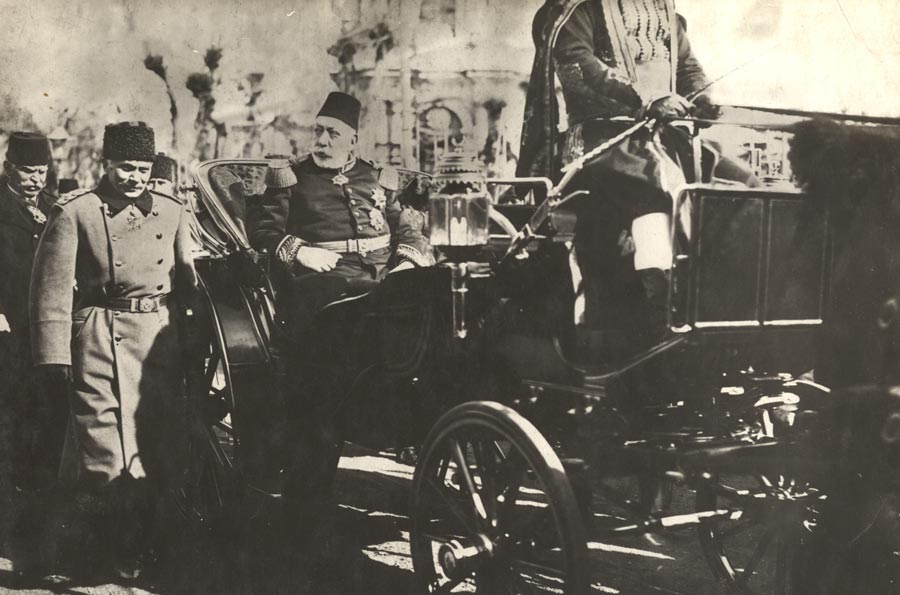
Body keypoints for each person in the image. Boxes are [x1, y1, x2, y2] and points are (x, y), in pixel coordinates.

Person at [518, 0, 758, 359]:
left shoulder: (665, 12)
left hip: (670, 138)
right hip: (603, 141)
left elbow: (687, 66)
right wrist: (647, 99)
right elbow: (576, 65)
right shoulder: (578, 10)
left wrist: (703, 97)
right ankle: (663, 323)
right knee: (656, 191)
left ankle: (726, 315)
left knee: (745, 184)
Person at [29, 121, 196, 576]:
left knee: (147, 449)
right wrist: (53, 354)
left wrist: (192, 338)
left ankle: (107, 543)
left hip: (157, 340)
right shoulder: (77, 211)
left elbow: (189, 281)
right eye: (124, 168)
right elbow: (52, 288)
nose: (134, 178)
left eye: (142, 168)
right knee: (105, 452)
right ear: (106, 164)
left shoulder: (172, 211)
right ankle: (117, 550)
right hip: (100, 335)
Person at [251, 91, 432, 339]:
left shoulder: (375, 176)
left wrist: (408, 263)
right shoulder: (291, 177)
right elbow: (265, 232)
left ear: (353, 141)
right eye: (318, 131)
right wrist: (301, 252)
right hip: (325, 278)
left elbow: (403, 228)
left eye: (332, 133)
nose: (322, 140)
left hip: (385, 271)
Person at [0, 132, 64, 493]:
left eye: (42, 171)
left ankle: (41, 486)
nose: (36, 180)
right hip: (7, 324)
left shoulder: (54, 209)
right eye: (27, 172)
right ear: (8, 169)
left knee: (47, 402)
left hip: (46, 323)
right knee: (11, 403)